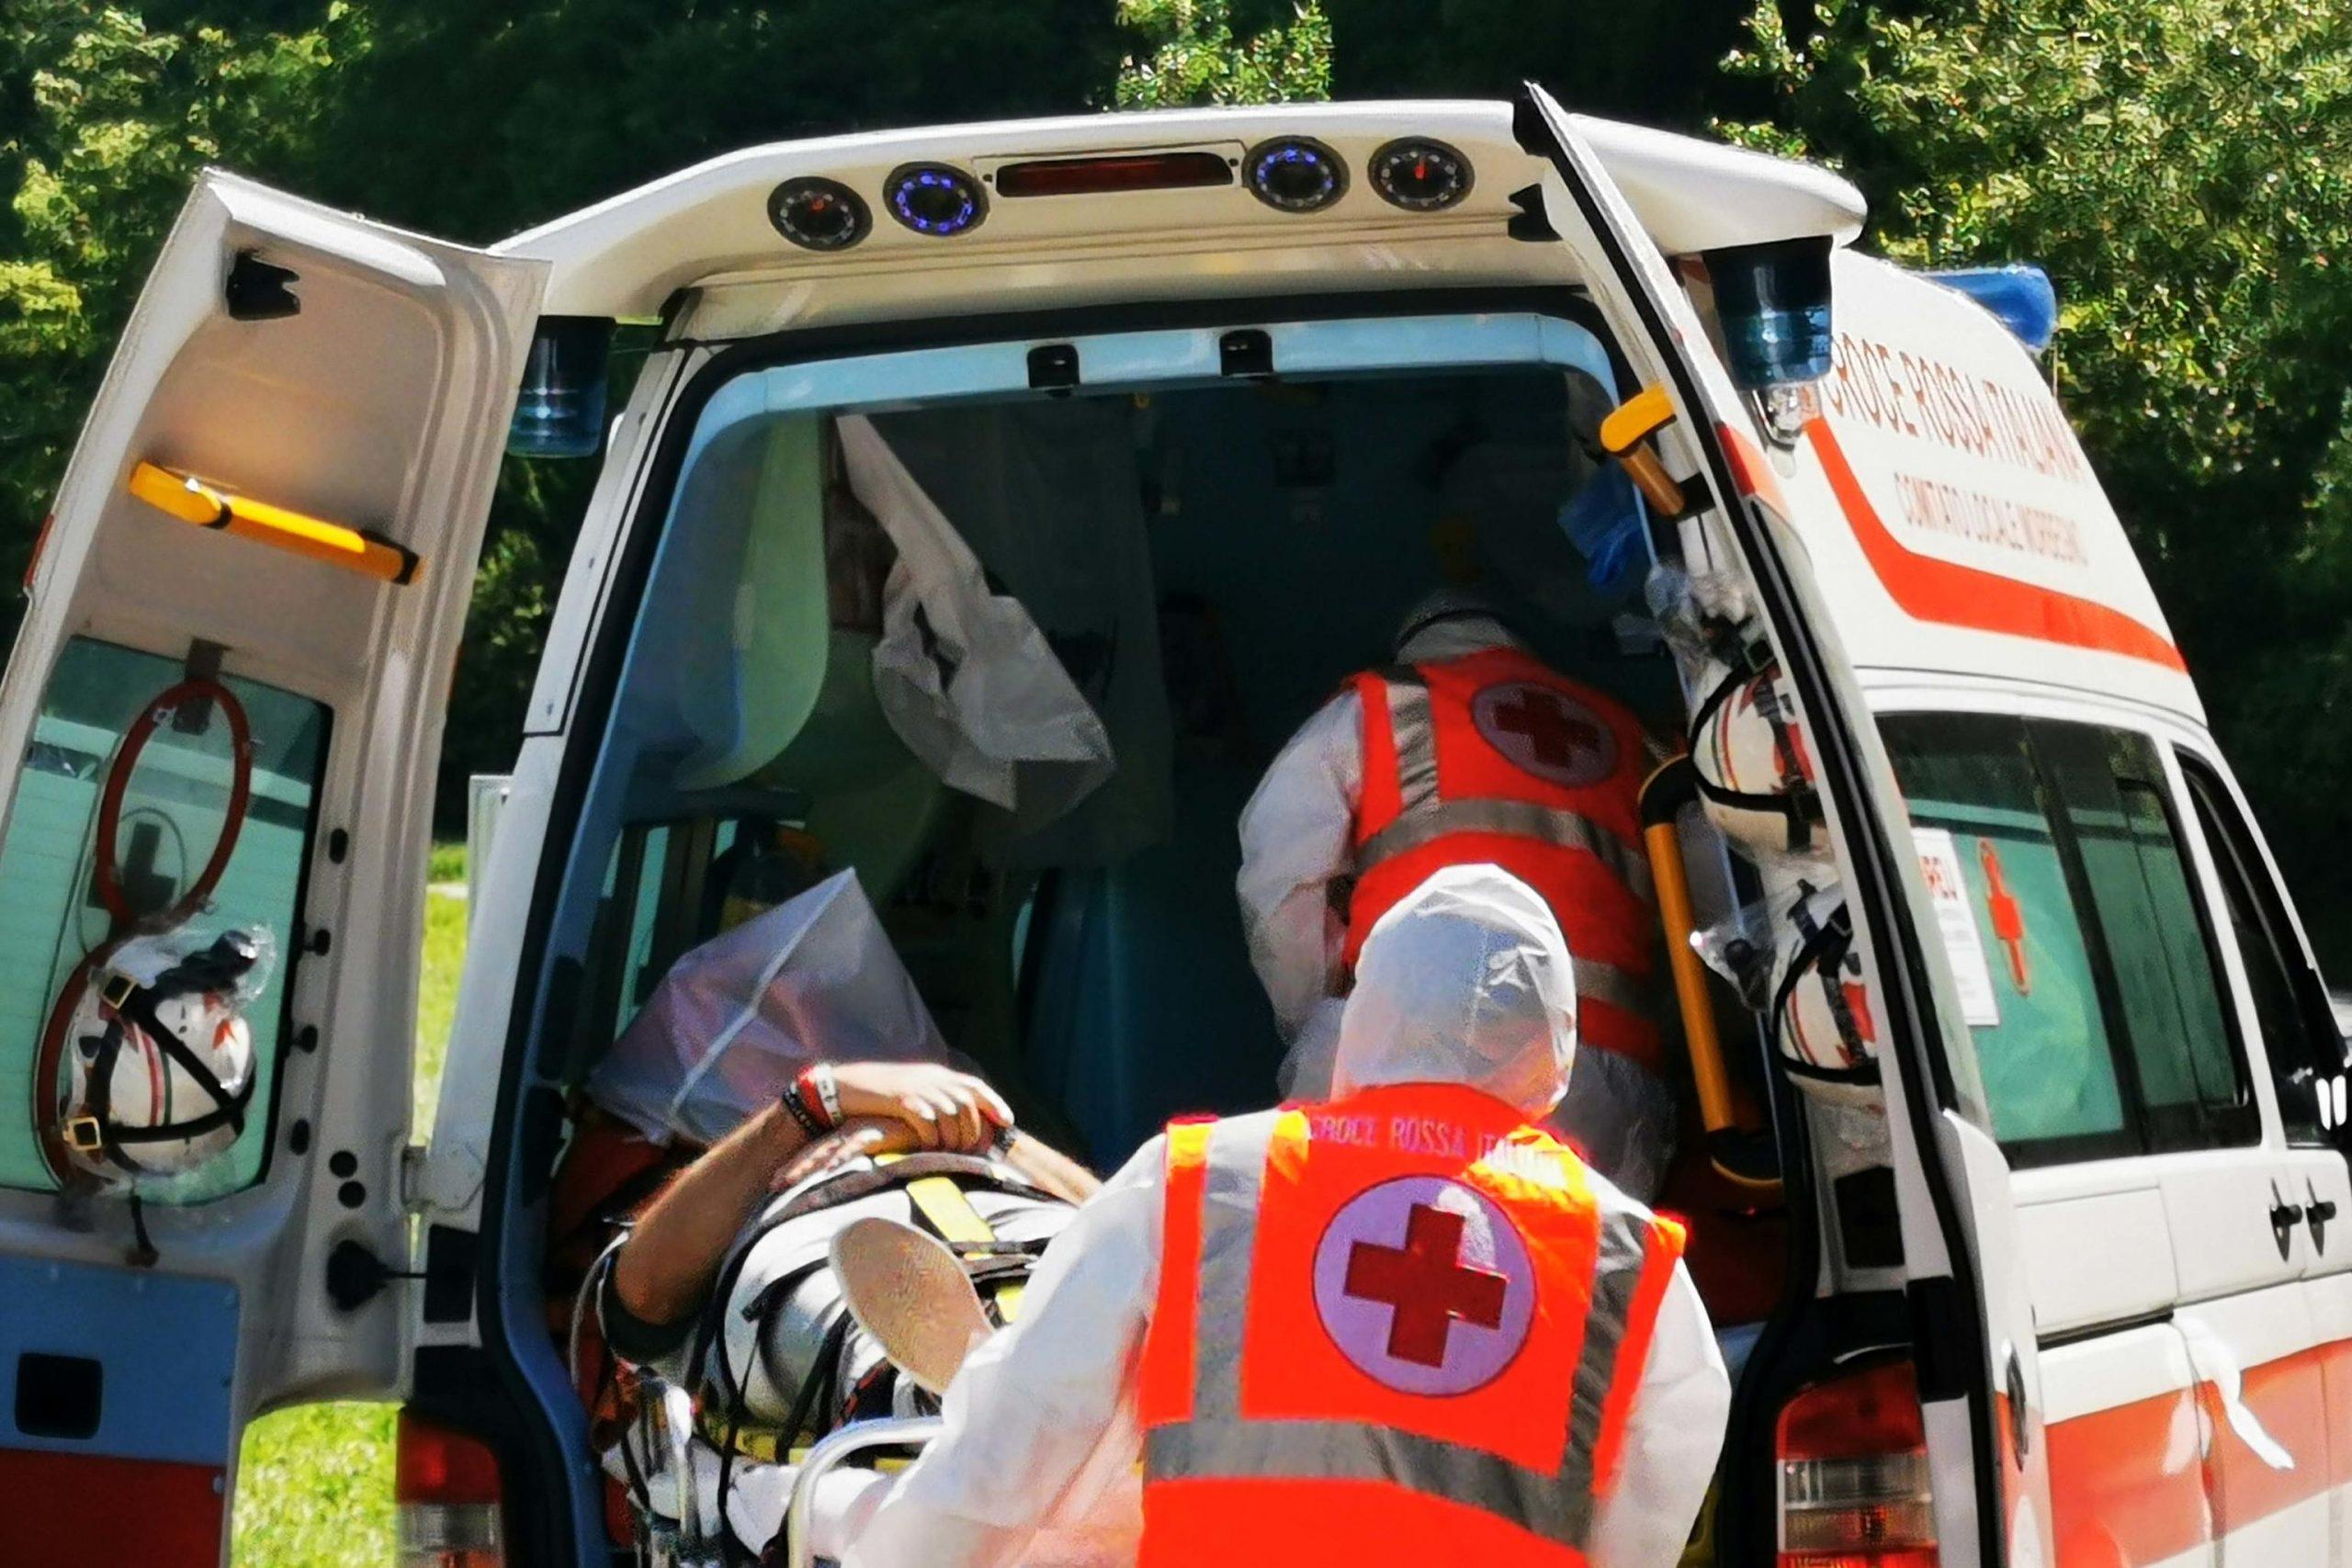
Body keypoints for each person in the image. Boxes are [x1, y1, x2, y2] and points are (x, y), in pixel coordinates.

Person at [819, 864, 1729, 1568]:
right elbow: (1643, 1515)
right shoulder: (1623, 1255)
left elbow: (1014, 1436)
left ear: (1365, 1016)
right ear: (1556, 1048)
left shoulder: (1201, 1184)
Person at [1237, 588, 1674, 1198]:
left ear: (1411, 647)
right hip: (1598, 1082)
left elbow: (1279, 882)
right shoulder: (1632, 738)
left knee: (1343, 1248)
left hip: (1393, 1057)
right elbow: (1707, 912)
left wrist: (1309, 1017)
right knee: (1573, 1280)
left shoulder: (1379, 708)